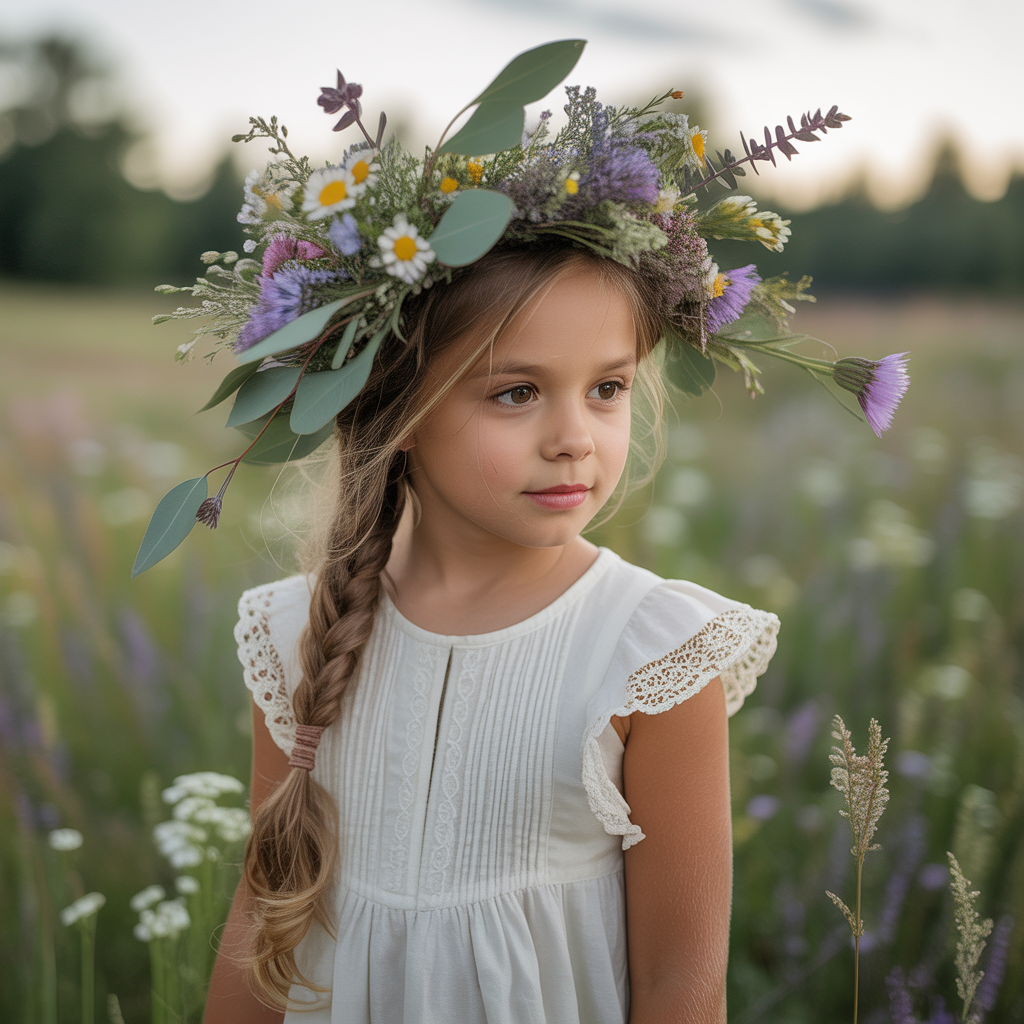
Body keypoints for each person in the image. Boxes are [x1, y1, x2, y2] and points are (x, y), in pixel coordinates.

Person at [135, 39, 903, 1024]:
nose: (574, 438)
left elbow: (682, 984)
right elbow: (258, 926)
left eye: (608, 389)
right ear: (391, 405)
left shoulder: (655, 654)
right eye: (515, 392)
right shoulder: (296, 634)